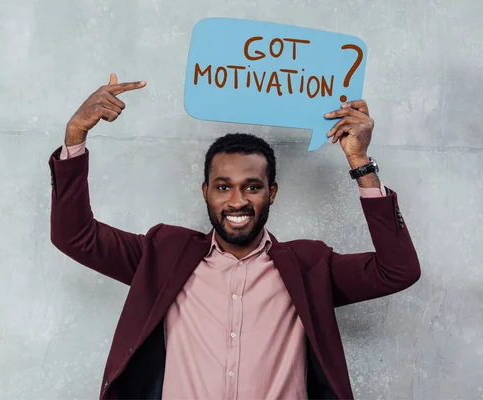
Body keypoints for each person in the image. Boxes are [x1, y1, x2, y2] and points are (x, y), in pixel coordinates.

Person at [48, 73, 420, 399]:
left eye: (252, 187)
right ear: (205, 191)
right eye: (223, 187)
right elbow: (74, 236)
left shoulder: (309, 266)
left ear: (271, 193)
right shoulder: (163, 254)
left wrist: (360, 163)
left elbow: (397, 270)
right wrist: (75, 135)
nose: (237, 200)